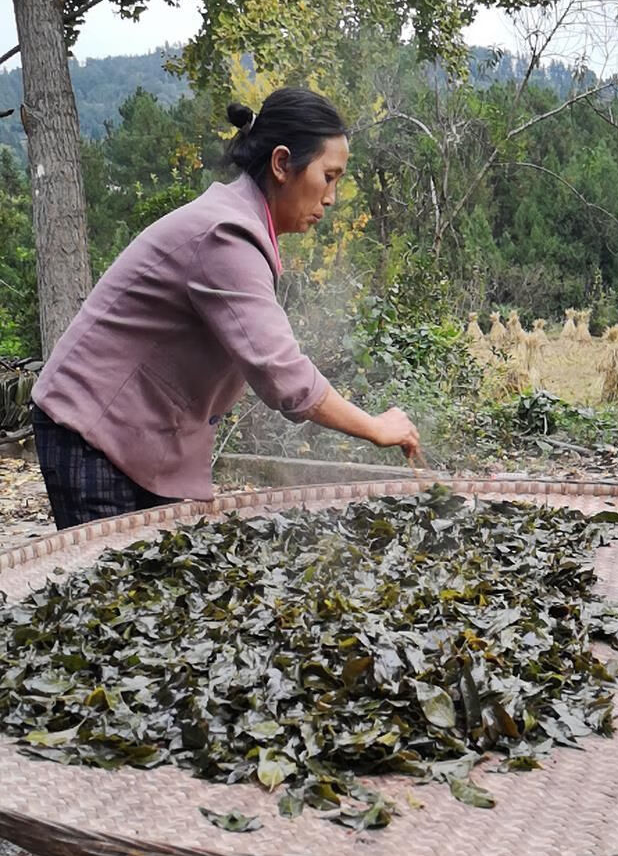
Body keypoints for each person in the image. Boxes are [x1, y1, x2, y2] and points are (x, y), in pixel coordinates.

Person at [31, 87, 421, 529]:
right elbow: (281, 374)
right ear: (281, 164)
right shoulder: (226, 234)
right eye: (328, 177)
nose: (331, 197)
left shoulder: (242, 224)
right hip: (92, 427)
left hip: (144, 434)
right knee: (113, 589)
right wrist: (374, 426)